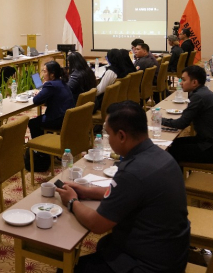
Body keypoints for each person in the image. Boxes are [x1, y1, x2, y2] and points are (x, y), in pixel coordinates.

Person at [56, 101, 190, 272]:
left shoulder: (133, 172)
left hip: (148, 265)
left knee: (65, 269)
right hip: (172, 253)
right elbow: (126, 193)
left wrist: (72, 201)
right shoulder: (160, 155)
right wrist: (86, 191)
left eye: (108, 133)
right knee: (106, 244)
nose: (107, 138)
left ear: (121, 136)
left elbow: (97, 225)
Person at [163, 66, 213, 164]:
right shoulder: (203, 92)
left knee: (172, 151)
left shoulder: (199, 96)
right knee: (175, 143)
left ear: (194, 82)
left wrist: (160, 120)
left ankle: (176, 173)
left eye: (183, 80)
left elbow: (181, 123)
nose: (181, 83)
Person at [28, 61, 75, 138]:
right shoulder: (61, 82)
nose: (43, 74)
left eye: (45, 72)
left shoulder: (50, 84)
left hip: (59, 120)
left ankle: (40, 145)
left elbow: (36, 100)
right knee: (40, 120)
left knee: (32, 123)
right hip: (68, 117)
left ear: (52, 74)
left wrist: (41, 93)